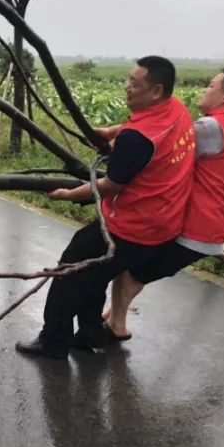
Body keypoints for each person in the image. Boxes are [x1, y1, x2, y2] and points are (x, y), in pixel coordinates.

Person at [15, 56, 197, 361]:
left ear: (156, 90)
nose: (127, 86)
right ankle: (90, 337)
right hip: (163, 224)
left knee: (70, 270)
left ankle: (53, 342)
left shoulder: (138, 139)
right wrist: (112, 132)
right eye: (128, 78)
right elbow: (137, 132)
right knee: (97, 273)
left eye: (135, 83)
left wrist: (67, 195)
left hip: (132, 227)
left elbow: (112, 185)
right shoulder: (175, 109)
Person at [101, 68, 224, 342]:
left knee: (130, 272)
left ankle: (117, 325)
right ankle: (113, 316)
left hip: (194, 227)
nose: (205, 89)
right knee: (135, 268)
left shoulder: (211, 128)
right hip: (214, 227)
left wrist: (116, 142)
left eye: (211, 85)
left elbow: (160, 138)